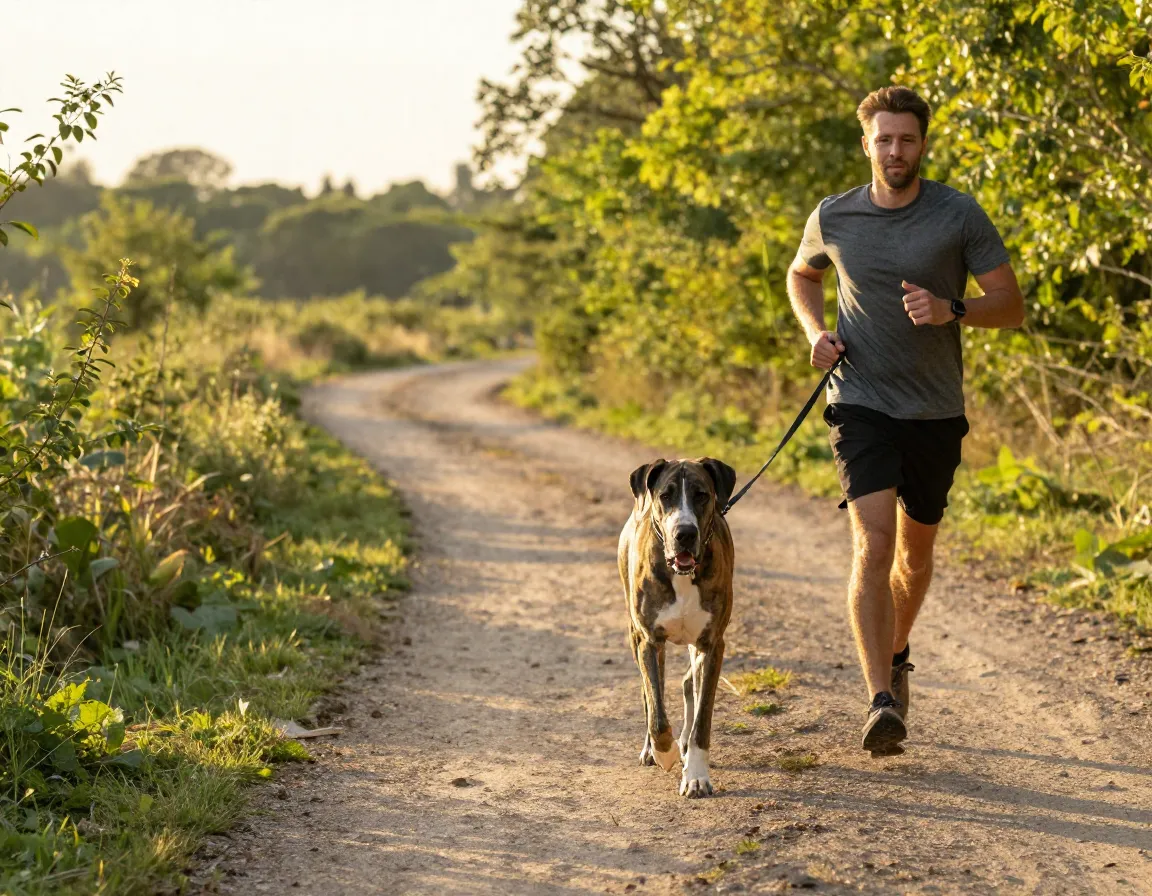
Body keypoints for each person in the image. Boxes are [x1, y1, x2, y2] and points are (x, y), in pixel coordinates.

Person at [785, 86, 1025, 755]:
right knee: (875, 542)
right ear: (865, 143)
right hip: (858, 398)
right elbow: (801, 276)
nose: (895, 150)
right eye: (883, 139)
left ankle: (897, 653)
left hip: (935, 409)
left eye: (907, 139)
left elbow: (1010, 304)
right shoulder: (834, 216)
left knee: (915, 560)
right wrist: (815, 330)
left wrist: (954, 309)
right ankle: (880, 700)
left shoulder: (957, 214)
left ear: (923, 144)